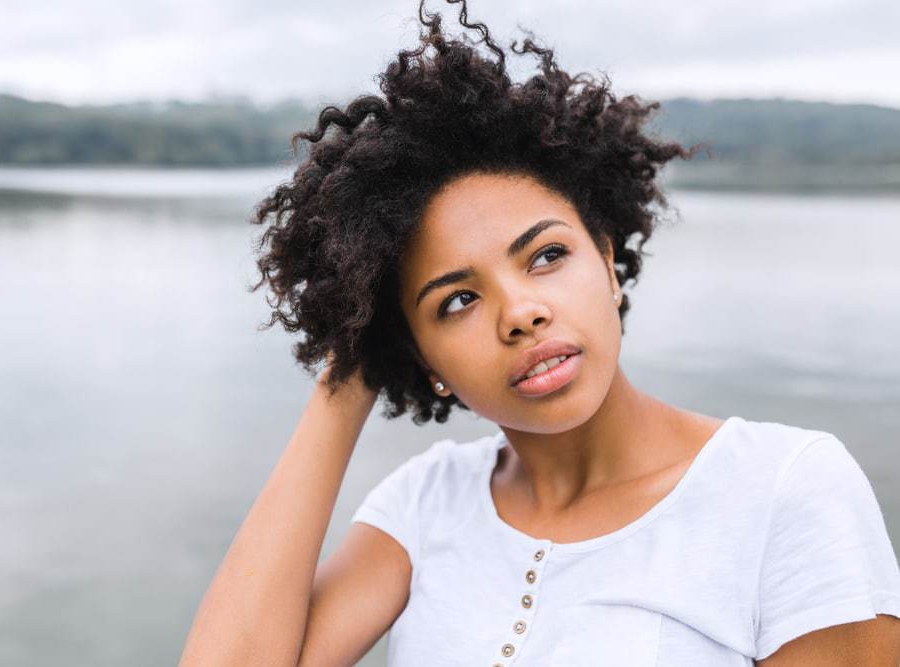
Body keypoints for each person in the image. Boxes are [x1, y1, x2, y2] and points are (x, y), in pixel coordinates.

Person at [178, 1, 900, 664]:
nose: (518, 312)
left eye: (546, 255)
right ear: (420, 354)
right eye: (455, 300)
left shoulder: (782, 487)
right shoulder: (425, 502)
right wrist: (348, 376)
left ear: (608, 263)